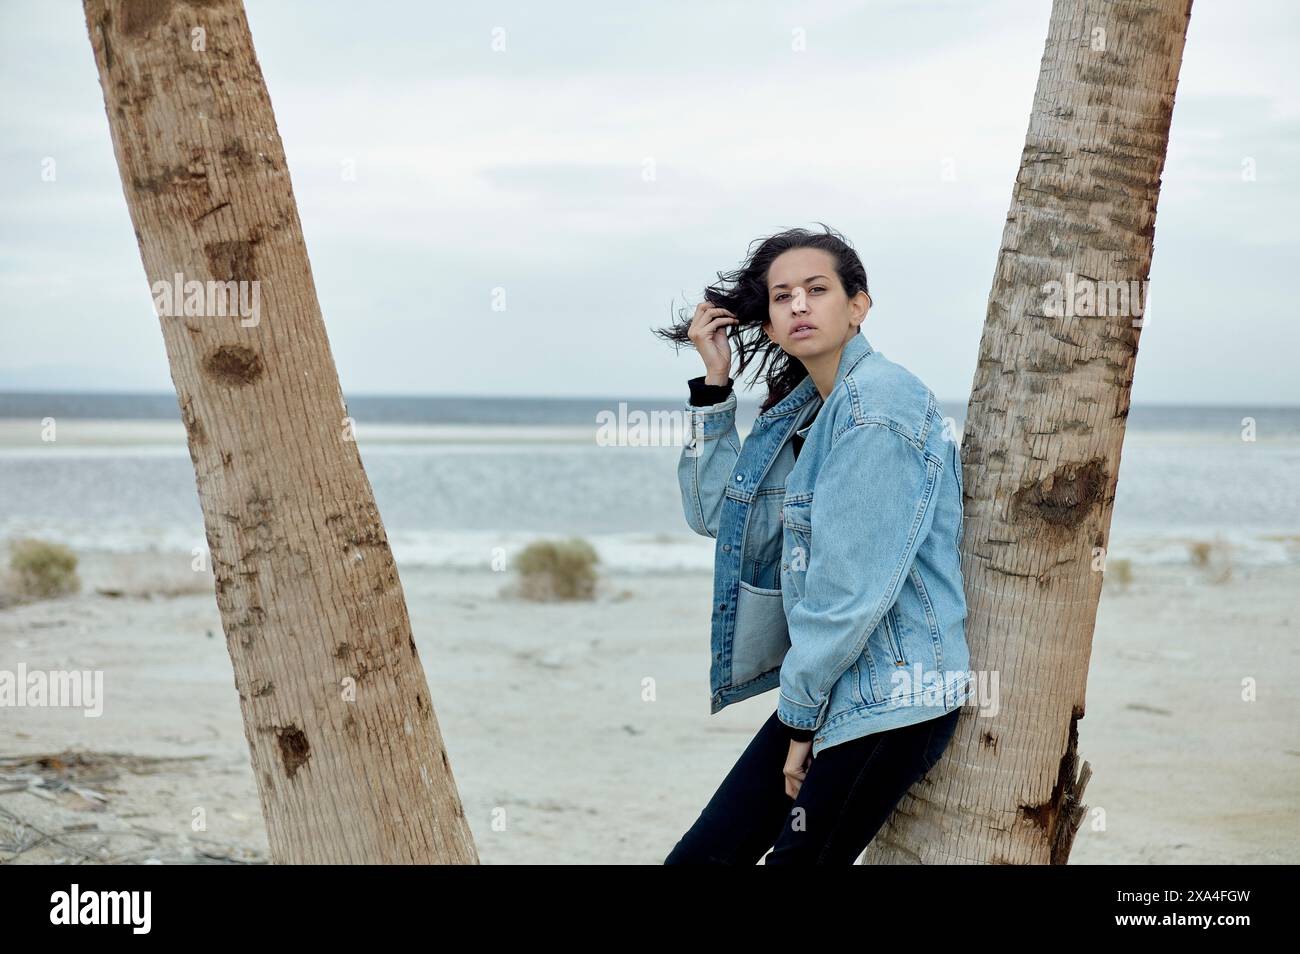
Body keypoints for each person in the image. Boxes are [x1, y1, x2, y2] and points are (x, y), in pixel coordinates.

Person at [654, 225, 973, 865]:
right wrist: (714, 386)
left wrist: (799, 725)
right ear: (768, 325)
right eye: (781, 296)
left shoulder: (878, 405)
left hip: (891, 696)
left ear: (858, 306)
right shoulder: (806, 411)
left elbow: (851, 593)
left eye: (817, 290)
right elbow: (718, 514)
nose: (798, 304)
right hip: (831, 686)